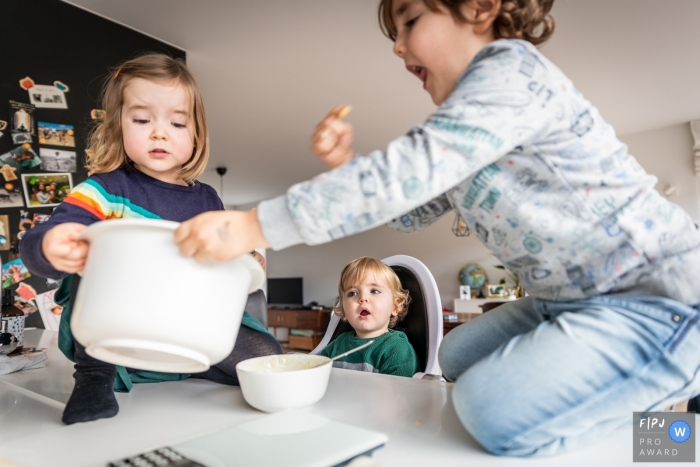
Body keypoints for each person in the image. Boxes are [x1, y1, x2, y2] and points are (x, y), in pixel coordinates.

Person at [173, 0, 700, 458]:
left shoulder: (511, 73)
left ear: (480, 9)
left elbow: (404, 173)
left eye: (410, 23)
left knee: (486, 411)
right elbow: (406, 209)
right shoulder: (467, 138)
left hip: (654, 296)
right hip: (562, 300)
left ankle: (664, 424)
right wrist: (346, 170)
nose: (399, 48)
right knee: (454, 357)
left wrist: (252, 225)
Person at [19, 53, 282, 426]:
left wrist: (245, 255)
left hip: (189, 320)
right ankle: (94, 381)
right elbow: (40, 239)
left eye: (176, 122)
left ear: (196, 133)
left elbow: (225, 253)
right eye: (142, 120)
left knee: (265, 355)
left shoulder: (208, 199)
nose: (159, 132)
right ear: (119, 126)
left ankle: (187, 365)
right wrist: (51, 245)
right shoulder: (105, 190)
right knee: (96, 265)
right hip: (121, 322)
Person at [320, 256, 419, 377]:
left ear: (395, 306)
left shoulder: (397, 350)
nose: (362, 298)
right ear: (344, 310)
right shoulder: (337, 344)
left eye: (374, 291)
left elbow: (399, 393)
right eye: (353, 293)